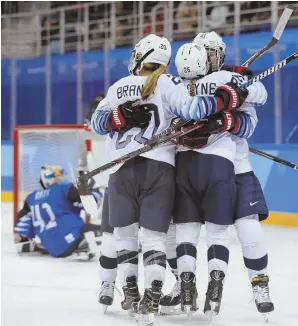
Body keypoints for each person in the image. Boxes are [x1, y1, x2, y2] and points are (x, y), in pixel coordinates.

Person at [91, 33, 247, 325]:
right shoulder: (170, 83)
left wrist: (119, 117)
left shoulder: (119, 86)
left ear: (140, 57)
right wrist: (226, 97)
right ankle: (152, 295)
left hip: (121, 171)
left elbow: (98, 123)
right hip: (160, 170)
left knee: (124, 238)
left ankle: (129, 294)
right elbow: (197, 110)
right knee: (155, 240)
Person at [193, 31, 274, 317]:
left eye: (213, 53)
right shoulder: (183, 83)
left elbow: (257, 103)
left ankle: (259, 285)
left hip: (237, 167)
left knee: (249, 229)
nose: (208, 58)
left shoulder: (231, 78)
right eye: (204, 52)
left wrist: (239, 88)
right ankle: (183, 285)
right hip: (193, 168)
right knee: (180, 232)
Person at [14, 165, 101, 260]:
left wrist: (23, 238)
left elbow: (21, 224)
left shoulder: (31, 198)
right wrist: (93, 187)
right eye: (58, 177)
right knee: (108, 229)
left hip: (53, 249)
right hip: (73, 239)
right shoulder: (63, 189)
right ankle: (83, 245)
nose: (61, 179)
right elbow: (92, 201)